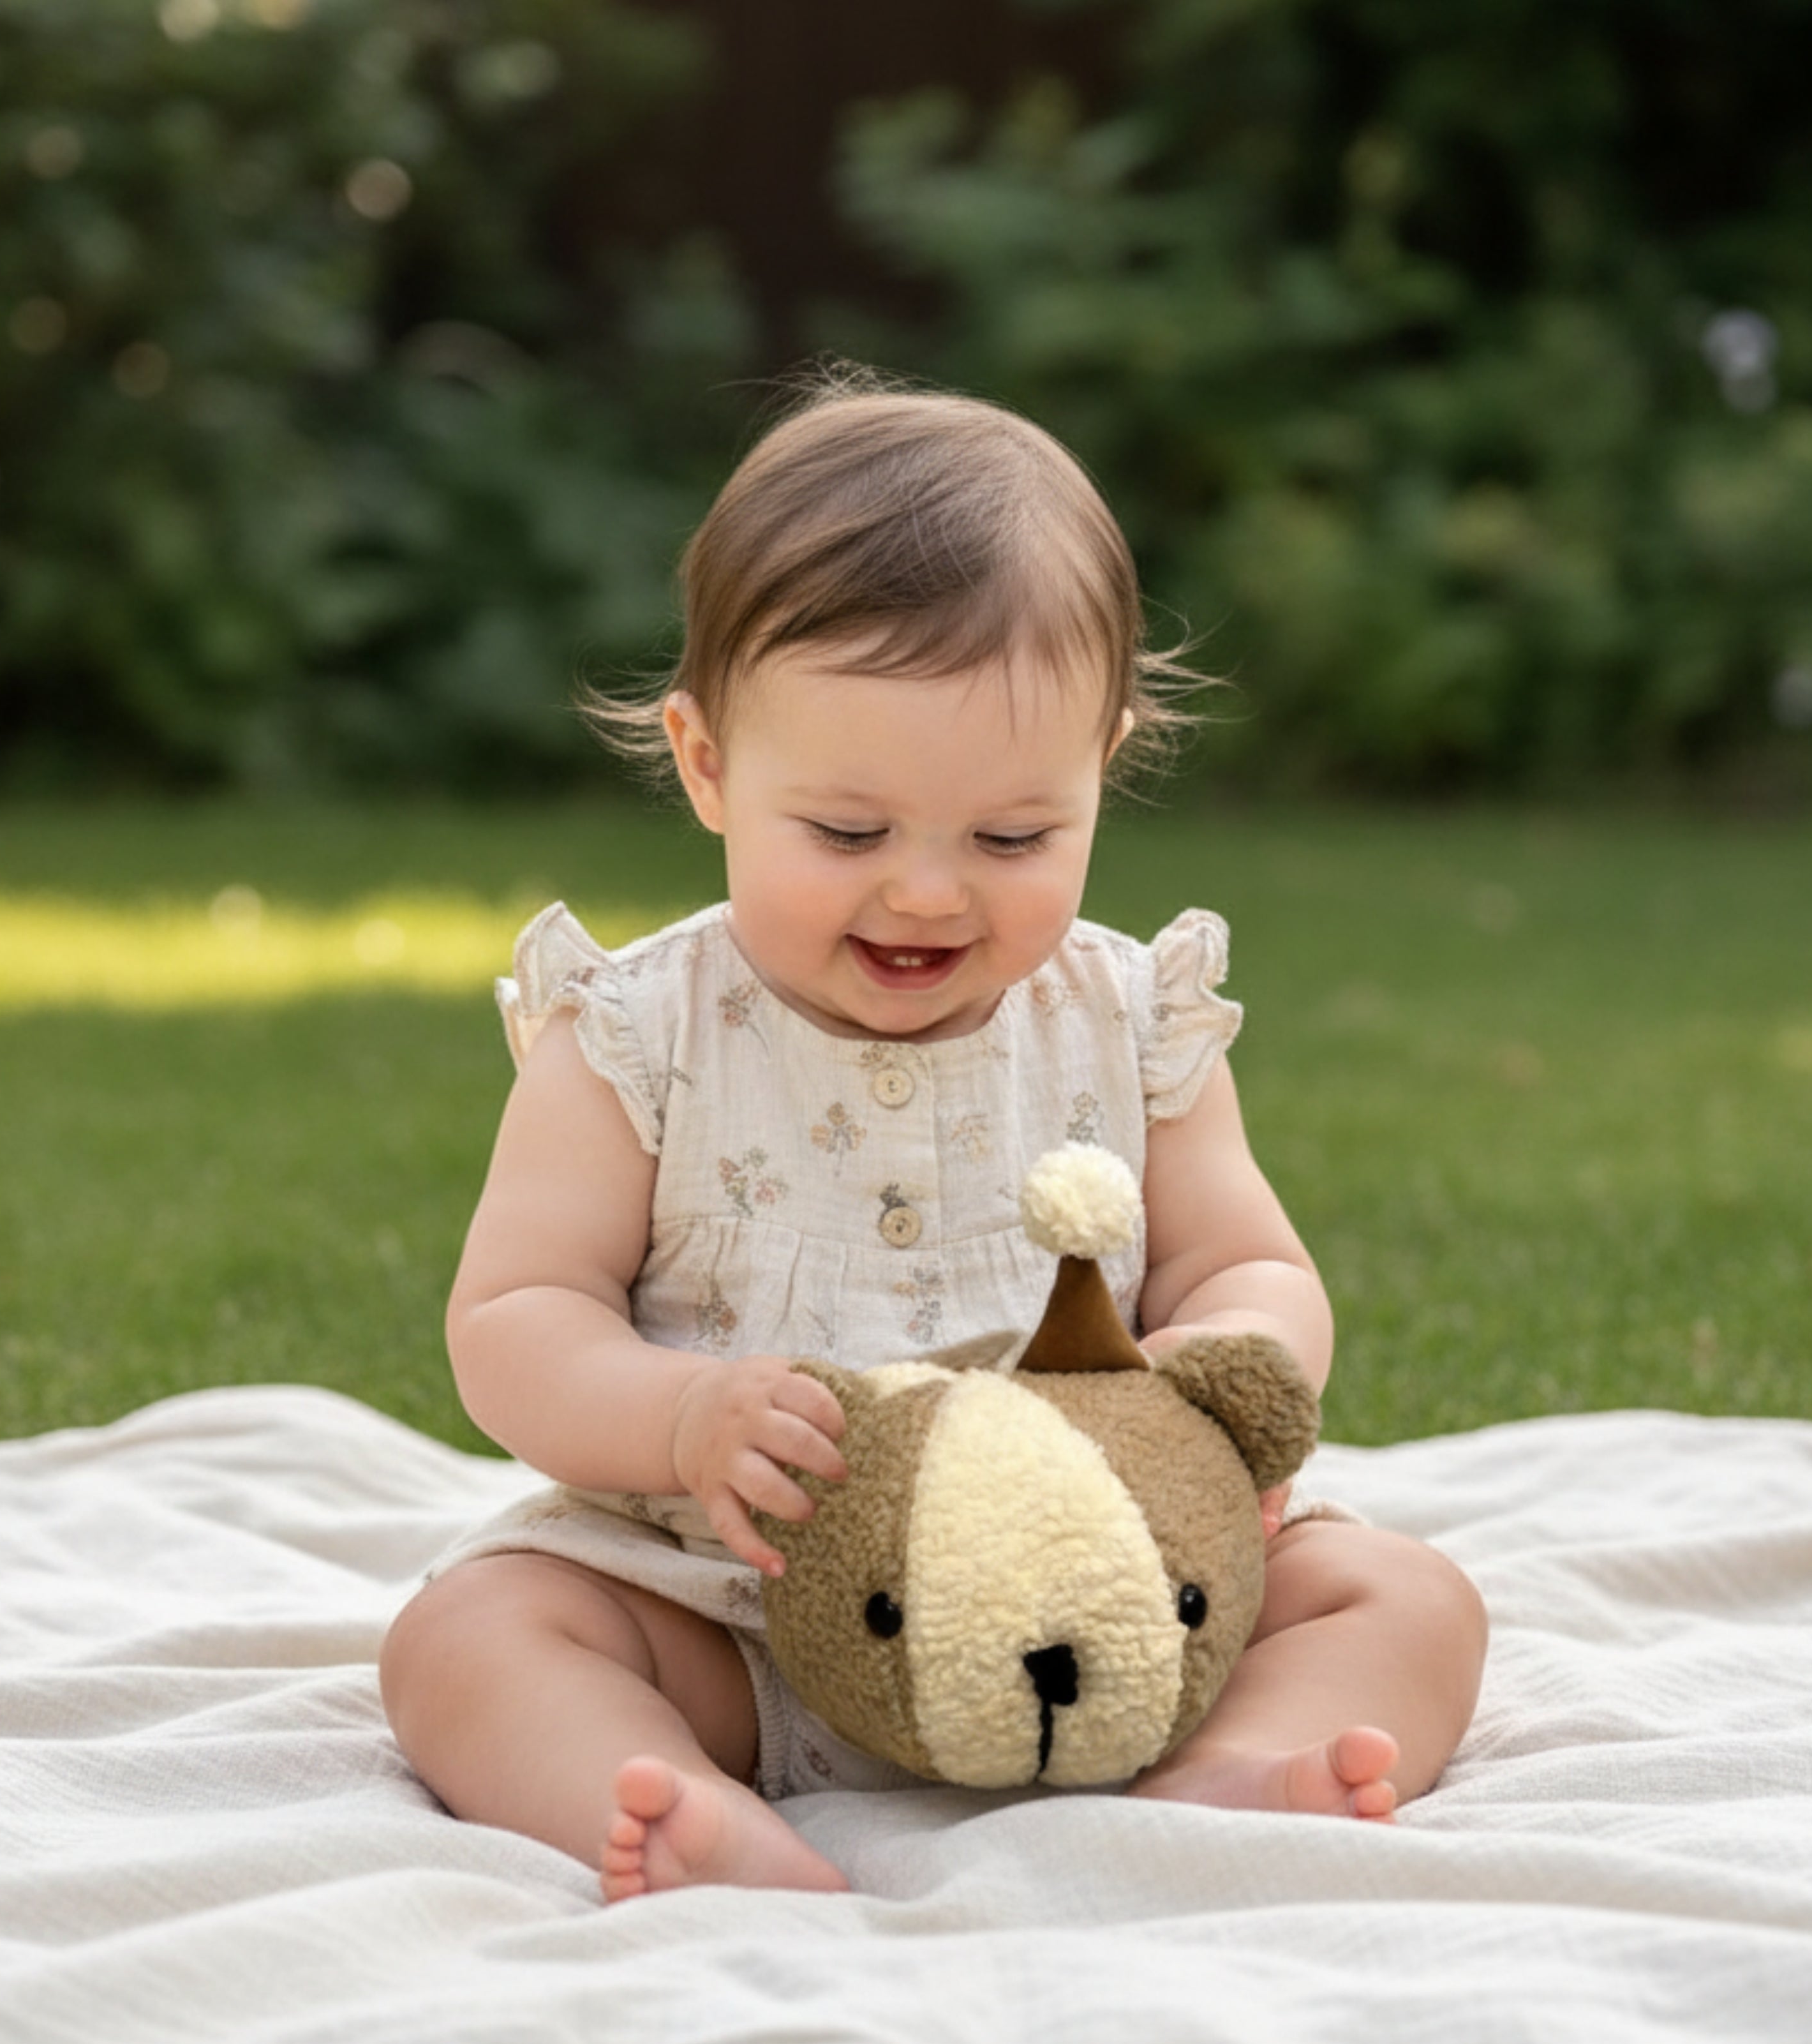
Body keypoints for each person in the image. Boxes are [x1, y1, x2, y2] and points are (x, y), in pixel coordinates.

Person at [378, 372, 1487, 1901]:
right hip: (745, 1621)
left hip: (1110, 1608)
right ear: (706, 764)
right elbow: (513, 1316)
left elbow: (1249, 1257)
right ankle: (679, 1814)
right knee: (471, 1638)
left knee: (1402, 1593)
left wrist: (1222, 1376)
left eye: (1011, 837)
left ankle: (1224, 1772)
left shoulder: (1127, 1019)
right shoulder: (638, 1036)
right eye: (846, 833)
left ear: (1104, 759)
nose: (924, 893)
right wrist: (681, 1420)